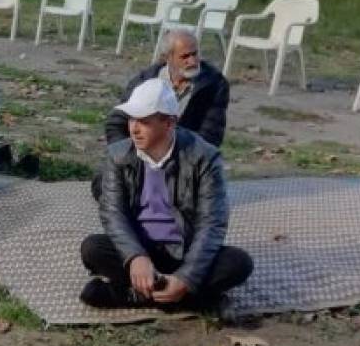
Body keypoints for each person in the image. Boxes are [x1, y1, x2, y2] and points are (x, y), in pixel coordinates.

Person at [81, 78, 253, 310]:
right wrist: (135, 257)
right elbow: (113, 213)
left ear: (169, 123)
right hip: (141, 248)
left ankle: (135, 296)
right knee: (93, 248)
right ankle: (197, 300)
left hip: (185, 250)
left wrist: (186, 277)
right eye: (132, 119)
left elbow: (212, 224)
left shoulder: (203, 156)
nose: (134, 128)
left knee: (238, 263)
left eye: (143, 121)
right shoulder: (118, 155)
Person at [106, 29, 230, 147]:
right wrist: (124, 153)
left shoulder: (213, 83)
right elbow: (117, 122)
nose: (192, 61)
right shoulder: (145, 80)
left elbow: (211, 134)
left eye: (195, 54)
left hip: (186, 156)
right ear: (167, 58)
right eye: (185, 56)